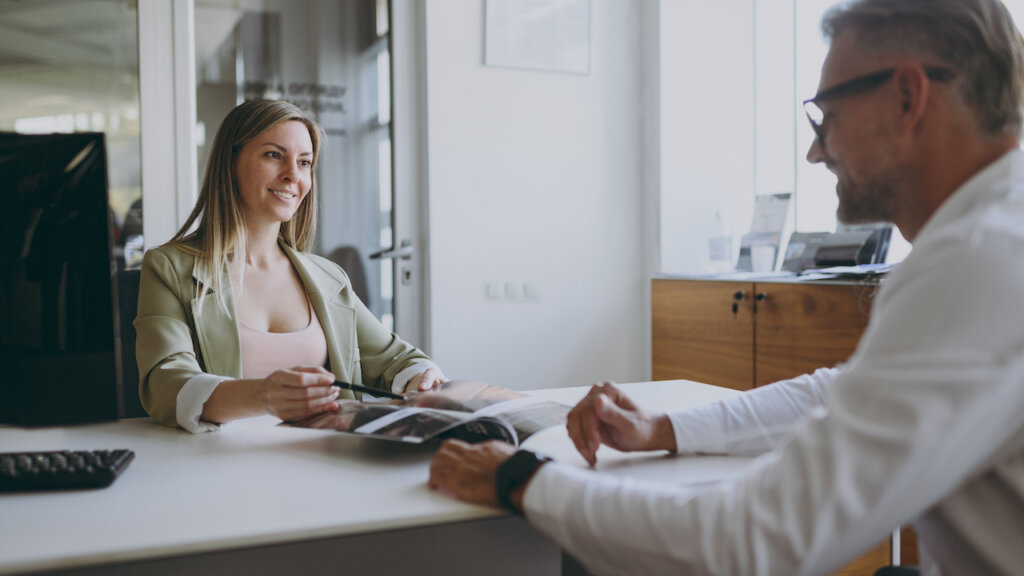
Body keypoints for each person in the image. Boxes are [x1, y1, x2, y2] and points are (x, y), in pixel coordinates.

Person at [428, 0, 1024, 573]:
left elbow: (752, 544)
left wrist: (520, 479)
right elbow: (846, 391)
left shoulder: (979, 260)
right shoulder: (994, 236)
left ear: (908, 97)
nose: (815, 151)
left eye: (827, 116)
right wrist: (667, 429)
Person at [135, 99, 444, 433]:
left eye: (304, 162)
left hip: (327, 455)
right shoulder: (169, 268)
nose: (293, 175)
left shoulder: (328, 278)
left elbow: (399, 360)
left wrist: (422, 377)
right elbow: (165, 382)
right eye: (273, 155)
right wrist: (261, 396)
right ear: (230, 162)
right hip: (222, 459)